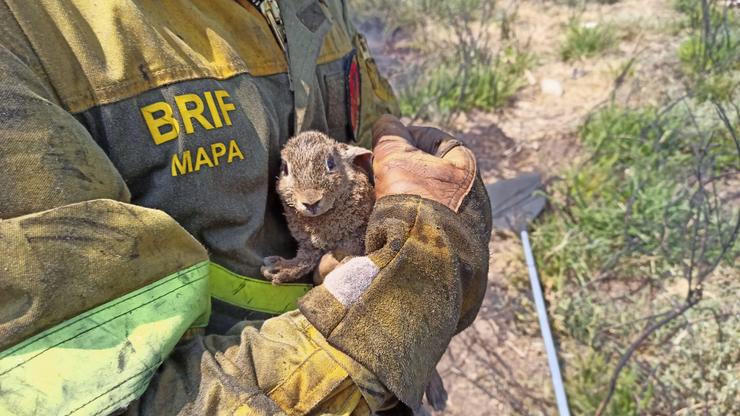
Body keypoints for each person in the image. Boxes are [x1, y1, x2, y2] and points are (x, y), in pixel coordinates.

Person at [0, 0, 492, 414]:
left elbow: (371, 121)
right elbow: (105, 395)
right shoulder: (25, 36)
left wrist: (404, 180)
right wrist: (403, 301)